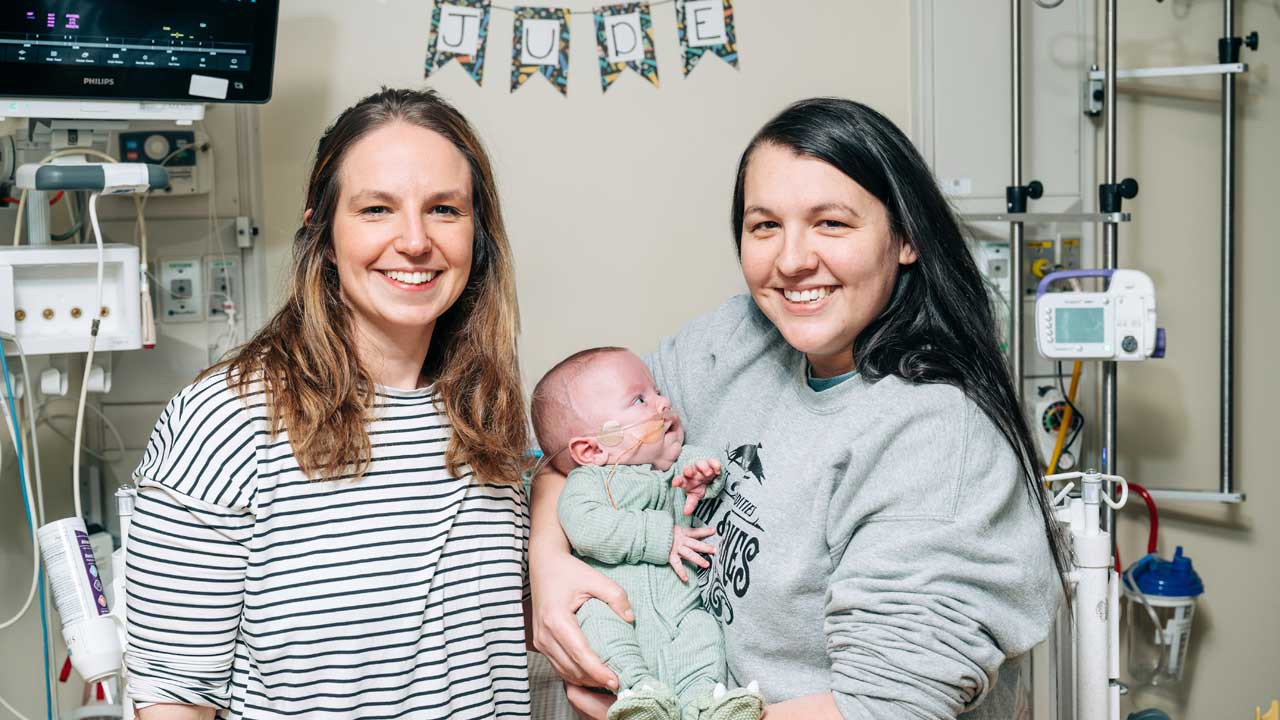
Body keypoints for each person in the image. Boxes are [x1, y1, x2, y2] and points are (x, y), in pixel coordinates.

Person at [528, 97, 1068, 720]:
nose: (791, 260)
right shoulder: (740, 339)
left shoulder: (936, 437)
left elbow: (886, 709)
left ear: (907, 238)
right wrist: (550, 565)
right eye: (764, 226)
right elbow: (573, 446)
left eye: (831, 224)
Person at [124, 88, 531, 720]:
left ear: (477, 233)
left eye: (444, 209)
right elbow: (172, 699)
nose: (416, 241)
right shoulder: (226, 419)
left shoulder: (484, 412)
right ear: (322, 229)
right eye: (376, 209)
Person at [530, 347, 764, 720]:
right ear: (592, 449)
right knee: (595, 622)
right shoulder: (589, 481)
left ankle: (702, 700)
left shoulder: (671, 470)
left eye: (656, 391)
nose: (662, 402)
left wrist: (702, 472)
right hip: (618, 611)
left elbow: (696, 469)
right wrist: (662, 536)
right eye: (640, 399)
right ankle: (637, 693)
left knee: (702, 631)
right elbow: (586, 526)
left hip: (680, 609)